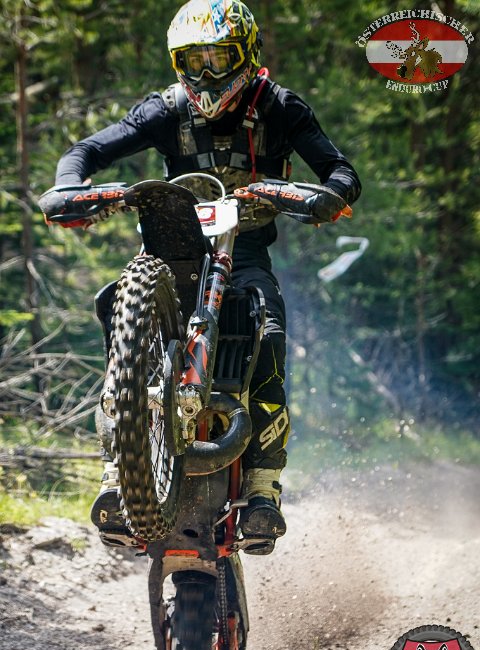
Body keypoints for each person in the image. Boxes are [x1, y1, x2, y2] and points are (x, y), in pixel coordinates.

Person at [51, 0, 361, 552]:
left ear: (245, 54)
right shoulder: (166, 109)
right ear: (178, 63)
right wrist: (70, 188)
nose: (207, 73)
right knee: (113, 303)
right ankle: (117, 472)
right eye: (193, 61)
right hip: (173, 247)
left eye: (219, 59)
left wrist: (326, 196)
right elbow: (89, 149)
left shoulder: (280, 107)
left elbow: (339, 170)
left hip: (244, 253)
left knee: (268, 331)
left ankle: (263, 488)